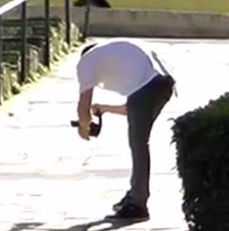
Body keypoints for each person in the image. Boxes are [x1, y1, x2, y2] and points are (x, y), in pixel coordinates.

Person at [75, 39, 176, 221]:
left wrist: (84, 127)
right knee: (139, 140)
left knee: (138, 144)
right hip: (164, 82)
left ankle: (137, 203)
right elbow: (136, 108)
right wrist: (105, 108)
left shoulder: (86, 62)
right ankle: (135, 193)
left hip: (148, 86)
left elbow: (83, 106)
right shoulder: (117, 54)